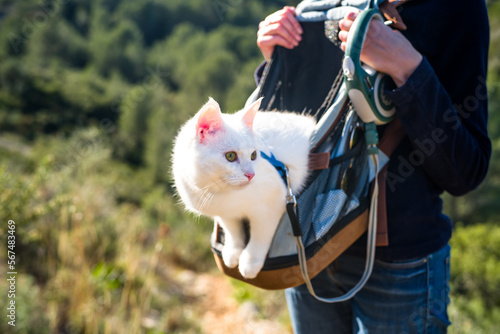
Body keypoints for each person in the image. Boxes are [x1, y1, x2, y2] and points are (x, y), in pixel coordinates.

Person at [255, 1, 491, 333]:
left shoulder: (454, 9)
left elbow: (467, 170)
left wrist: (407, 67)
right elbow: (302, 127)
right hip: (306, 241)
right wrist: (277, 63)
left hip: (399, 269)